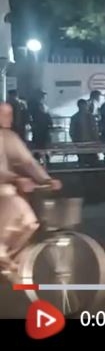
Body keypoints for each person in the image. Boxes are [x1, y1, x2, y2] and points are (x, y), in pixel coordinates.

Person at [0, 103, 62, 273]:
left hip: (7, 189)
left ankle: (8, 259)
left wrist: (46, 179)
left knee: (29, 223)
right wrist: (16, 178)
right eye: (4, 114)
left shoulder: (9, 137)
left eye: (9, 114)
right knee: (18, 218)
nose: (9, 118)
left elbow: (27, 162)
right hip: (5, 190)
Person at [69, 99, 99, 167]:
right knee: (82, 159)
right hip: (80, 142)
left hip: (91, 142)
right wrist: (75, 140)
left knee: (93, 159)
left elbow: (95, 129)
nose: (84, 107)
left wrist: (96, 139)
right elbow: (72, 131)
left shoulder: (90, 117)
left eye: (84, 106)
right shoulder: (75, 118)